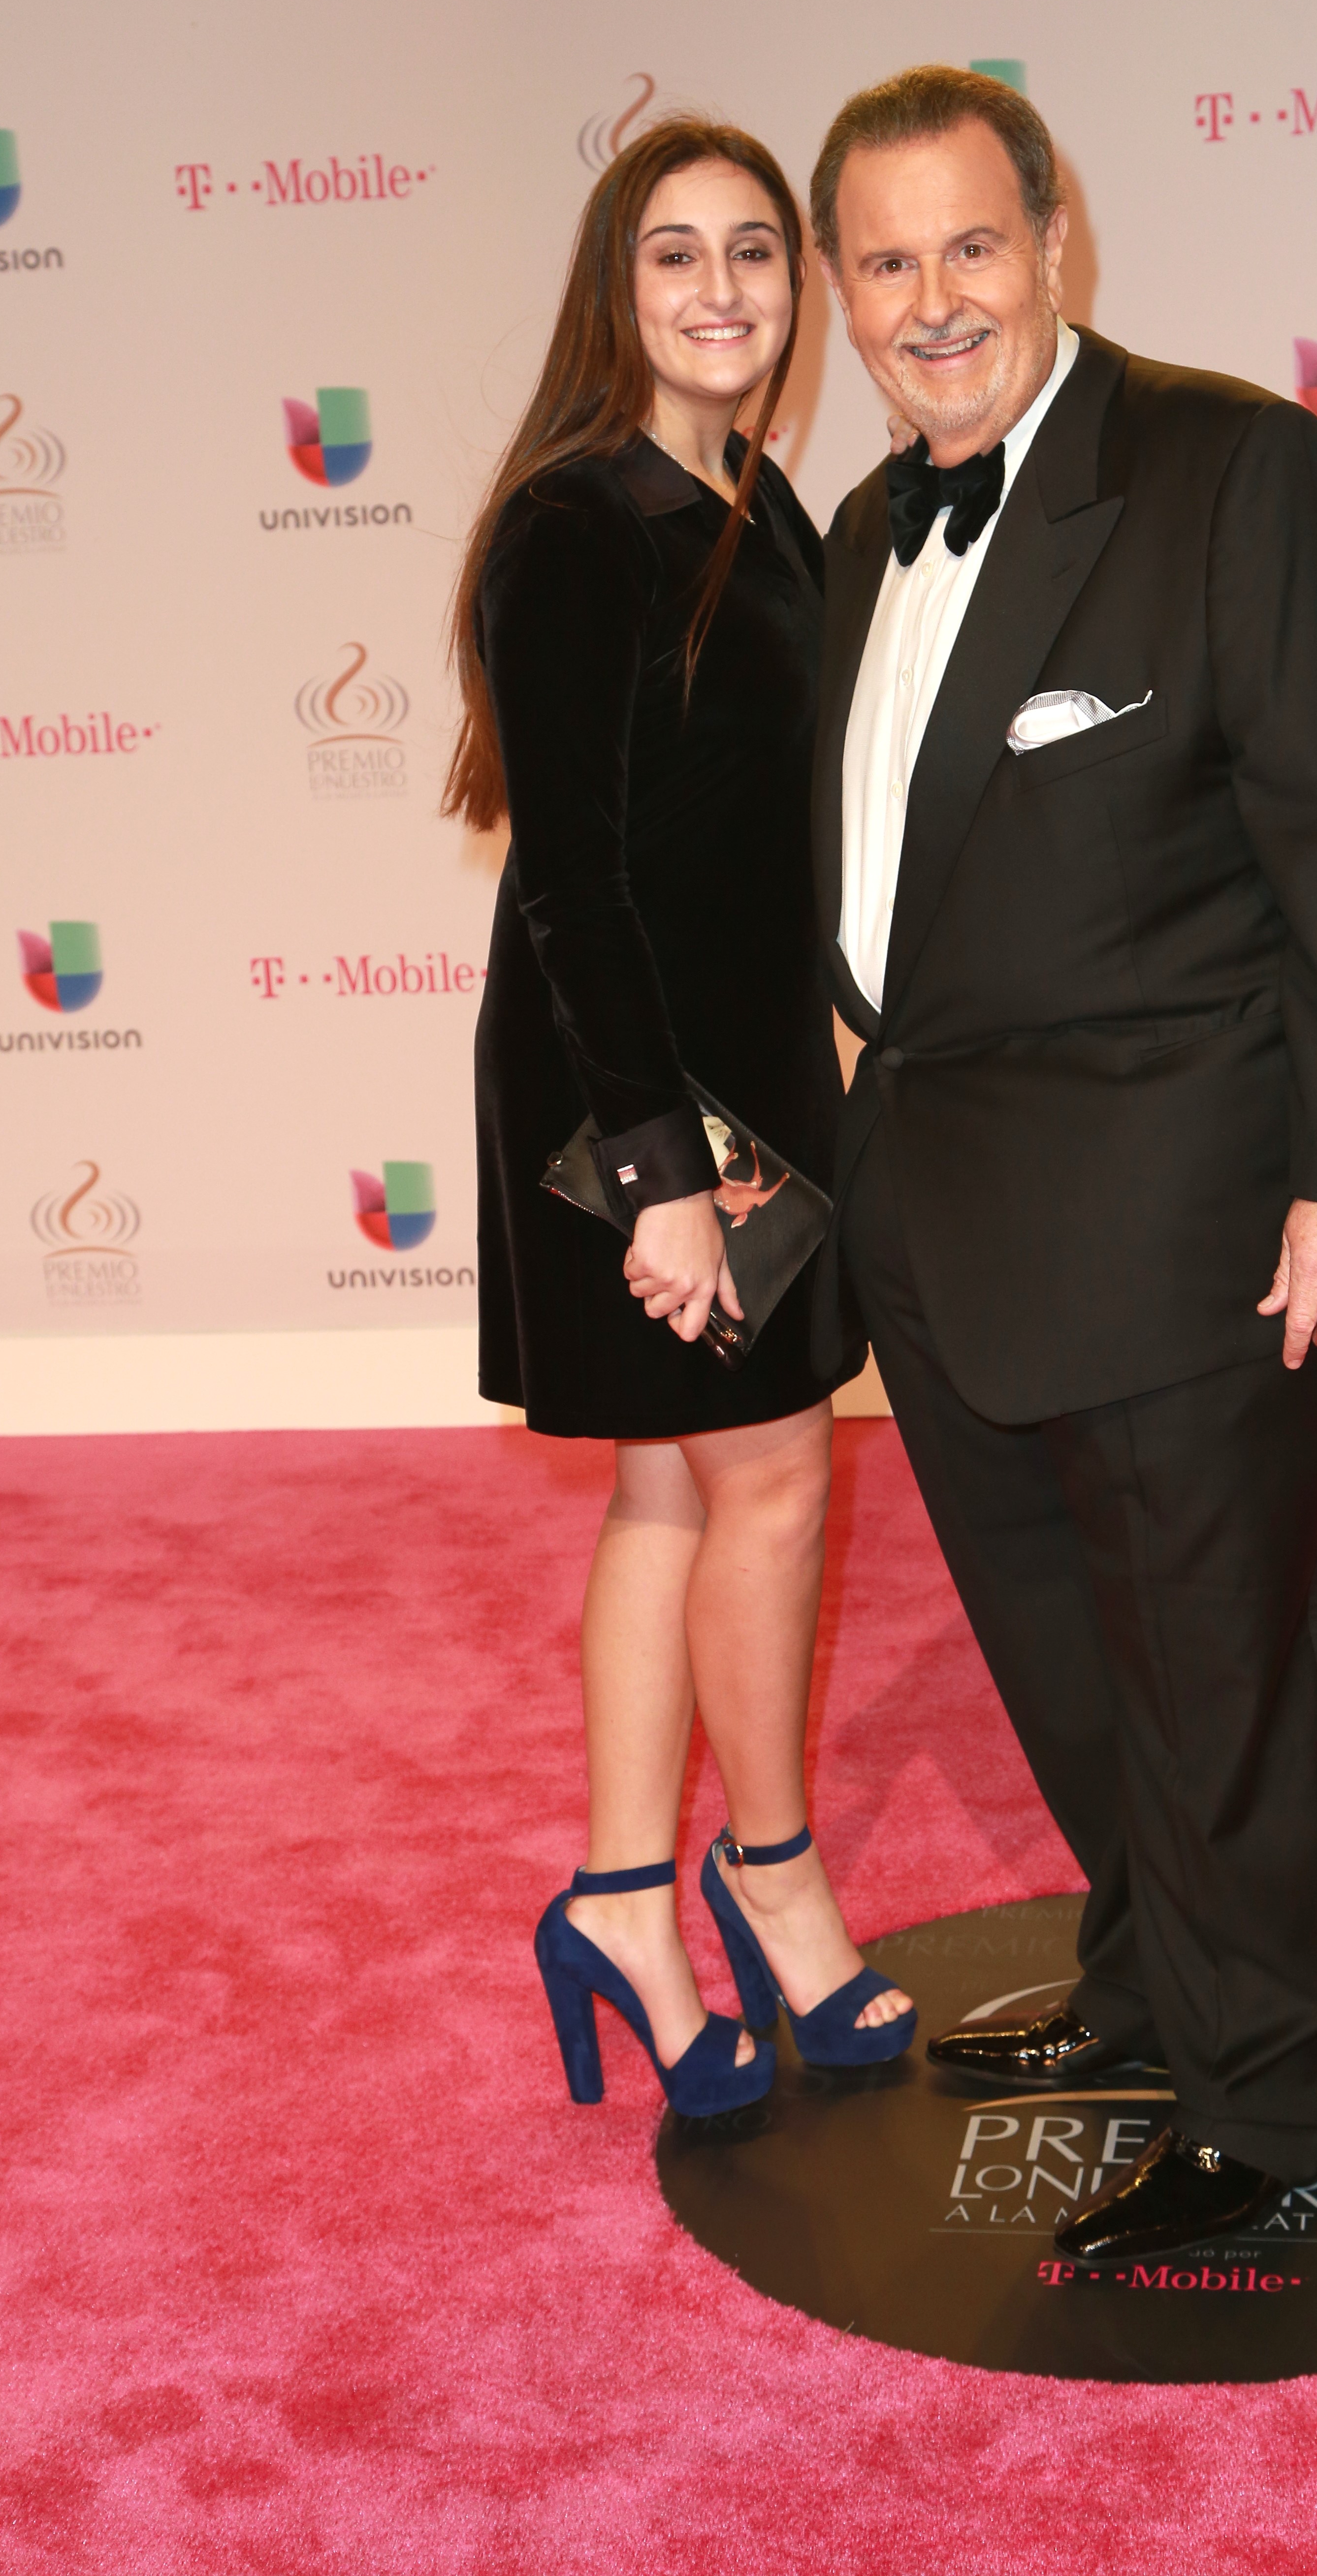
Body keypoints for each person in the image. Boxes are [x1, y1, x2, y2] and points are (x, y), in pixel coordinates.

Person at [805, 67, 1317, 2259]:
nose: (933, 300)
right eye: (883, 263)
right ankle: (1139, 1989)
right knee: (1076, 1674)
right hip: (945, 1232)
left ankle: (1269, 2112)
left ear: (1056, 240)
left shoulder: (1225, 471)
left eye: (970, 245)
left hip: (1200, 1231)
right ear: (839, 294)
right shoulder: (853, 537)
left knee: (1215, 1693)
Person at [446, 118, 914, 2123]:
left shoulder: (759, 502)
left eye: (753, 254)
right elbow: (573, 874)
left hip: (740, 1070)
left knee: (671, 1493)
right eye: (673, 258)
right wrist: (658, 1178)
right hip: (639, 1084)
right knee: (778, 1485)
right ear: (611, 294)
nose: (723, 289)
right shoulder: (578, 521)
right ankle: (774, 1884)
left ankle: (625, 1899)